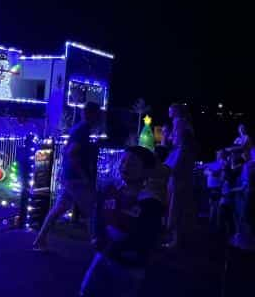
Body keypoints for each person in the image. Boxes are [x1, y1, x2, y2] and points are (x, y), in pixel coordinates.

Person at [80, 146, 164, 297]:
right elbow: (98, 215)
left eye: (132, 164)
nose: (125, 166)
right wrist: (96, 237)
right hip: (103, 256)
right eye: (123, 161)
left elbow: (145, 237)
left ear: (146, 171)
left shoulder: (150, 203)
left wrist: (116, 247)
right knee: (88, 291)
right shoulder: (110, 191)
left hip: (129, 266)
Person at [34, 102, 101, 250]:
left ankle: (40, 238)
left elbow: (67, 150)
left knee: (59, 208)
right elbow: (72, 152)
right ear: (94, 114)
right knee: (92, 209)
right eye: (98, 114)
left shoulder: (78, 129)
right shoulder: (83, 130)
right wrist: (83, 175)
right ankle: (98, 247)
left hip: (69, 174)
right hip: (76, 177)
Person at [164, 103, 197, 249]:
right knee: (177, 202)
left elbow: (176, 144)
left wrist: (173, 166)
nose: (169, 112)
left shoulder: (179, 123)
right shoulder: (181, 124)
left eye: (171, 110)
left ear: (176, 111)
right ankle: (177, 238)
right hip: (182, 168)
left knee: (175, 202)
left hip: (179, 168)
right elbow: (171, 142)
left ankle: (175, 239)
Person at [204, 150, 227, 233]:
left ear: (222, 154)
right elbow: (205, 172)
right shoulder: (215, 163)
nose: (217, 155)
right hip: (211, 188)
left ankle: (217, 227)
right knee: (212, 206)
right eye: (217, 153)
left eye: (219, 153)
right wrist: (210, 169)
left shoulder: (223, 162)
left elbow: (215, 172)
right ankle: (212, 226)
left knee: (216, 207)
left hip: (217, 187)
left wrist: (209, 168)